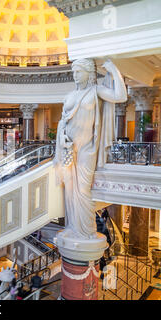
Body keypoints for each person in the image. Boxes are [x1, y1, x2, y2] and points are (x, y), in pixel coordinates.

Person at [53, 59, 127, 239]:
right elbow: (63, 122)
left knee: (83, 190)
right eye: (74, 72)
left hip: (87, 148)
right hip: (68, 148)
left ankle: (85, 230)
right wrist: (61, 138)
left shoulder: (95, 91)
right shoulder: (69, 96)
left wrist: (113, 69)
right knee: (69, 188)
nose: (75, 75)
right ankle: (73, 226)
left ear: (88, 73)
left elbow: (120, 96)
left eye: (78, 72)